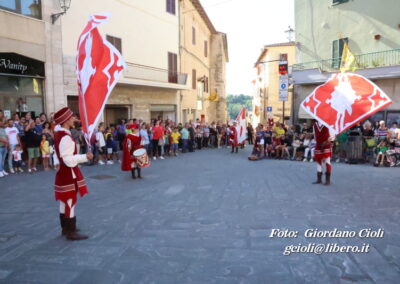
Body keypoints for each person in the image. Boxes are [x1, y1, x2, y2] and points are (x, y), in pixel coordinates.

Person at [53, 107, 93, 241]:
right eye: (71, 117)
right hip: (68, 173)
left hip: (63, 173)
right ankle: (70, 231)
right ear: (65, 120)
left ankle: (66, 228)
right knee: (70, 201)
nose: (74, 119)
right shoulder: (65, 137)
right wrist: (85, 157)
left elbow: (55, 151)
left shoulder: (59, 133)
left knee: (64, 202)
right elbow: (68, 160)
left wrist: (56, 162)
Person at [312, 120, 333, 185]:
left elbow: (332, 135)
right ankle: (319, 179)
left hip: (326, 145)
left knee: (327, 161)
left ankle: (327, 180)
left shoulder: (328, 123)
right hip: (318, 145)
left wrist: (327, 141)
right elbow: (315, 135)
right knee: (318, 161)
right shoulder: (315, 125)